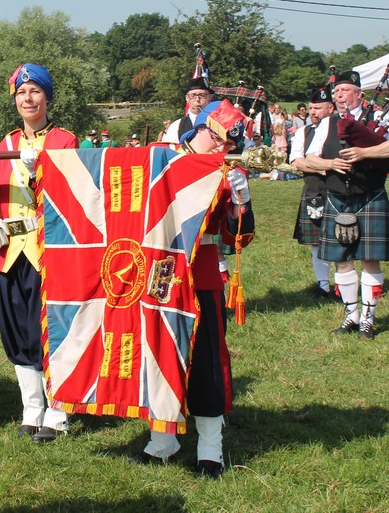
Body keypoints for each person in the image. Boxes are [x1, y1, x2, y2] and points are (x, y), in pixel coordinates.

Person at [134, 99, 255, 477]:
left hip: (201, 274)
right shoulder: (160, 156)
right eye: (220, 140)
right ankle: (162, 438)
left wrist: (241, 202)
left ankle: (210, 448)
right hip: (158, 273)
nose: (224, 148)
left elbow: (238, 238)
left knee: (206, 362)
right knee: (158, 353)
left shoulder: (229, 170)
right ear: (203, 129)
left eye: (230, 144)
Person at [0, 63, 78, 444]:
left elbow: (70, 199)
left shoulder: (65, 140)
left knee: (49, 331)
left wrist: (38, 175)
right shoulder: (6, 143)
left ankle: (58, 410)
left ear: (47, 97)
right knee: (16, 333)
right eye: (21, 93)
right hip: (8, 251)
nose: (28, 98)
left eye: (35, 91)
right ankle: (31, 408)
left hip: (47, 251)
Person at [304, 71, 389, 339]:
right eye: (337, 91)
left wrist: (365, 152)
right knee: (342, 261)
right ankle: (351, 315)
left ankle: (368, 319)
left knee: (370, 260)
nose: (339, 95)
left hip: (370, 195)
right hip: (337, 196)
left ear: (359, 94)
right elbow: (310, 157)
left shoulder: (379, 117)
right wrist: (330, 164)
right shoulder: (327, 123)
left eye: (345, 90)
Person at [289, 87, 336, 299]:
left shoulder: (340, 129)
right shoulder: (303, 132)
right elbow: (297, 160)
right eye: (311, 108)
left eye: (318, 108)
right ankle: (323, 285)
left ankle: (342, 285)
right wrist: (323, 168)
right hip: (315, 192)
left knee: (343, 238)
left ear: (330, 108)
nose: (313, 112)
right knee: (316, 242)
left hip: (340, 191)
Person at [162, 76, 213, 145]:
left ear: (209, 97)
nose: (197, 99)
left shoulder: (218, 123)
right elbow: (170, 150)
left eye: (202, 95)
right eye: (193, 95)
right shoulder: (176, 126)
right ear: (187, 98)